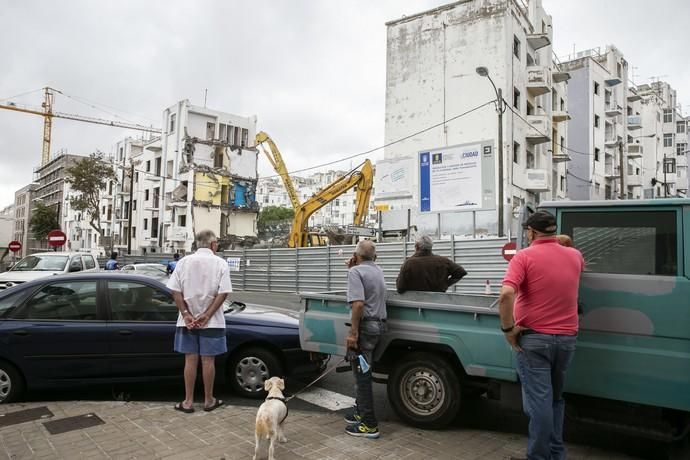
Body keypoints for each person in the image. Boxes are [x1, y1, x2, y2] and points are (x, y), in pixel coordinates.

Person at [498, 211, 585, 460]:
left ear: (531, 232)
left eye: (528, 231)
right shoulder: (575, 256)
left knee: (539, 405)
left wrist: (508, 330)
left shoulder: (523, 257)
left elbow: (505, 295)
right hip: (567, 339)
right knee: (555, 400)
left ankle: (538, 456)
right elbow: (566, 242)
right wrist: (554, 238)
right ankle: (556, 453)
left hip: (535, 339)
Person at [167, 230, 232, 413]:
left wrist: (186, 314)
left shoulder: (183, 262)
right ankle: (208, 400)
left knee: (190, 359)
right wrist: (208, 315)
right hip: (212, 322)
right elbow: (223, 292)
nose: (217, 246)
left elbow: (175, 291)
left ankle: (188, 401)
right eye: (216, 243)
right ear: (212, 244)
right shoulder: (220, 263)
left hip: (186, 322)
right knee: (208, 361)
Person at [343, 240, 387, 439]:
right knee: (363, 370)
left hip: (366, 327)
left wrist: (353, 333)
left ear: (356, 255)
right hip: (378, 325)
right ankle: (360, 411)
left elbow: (358, 304)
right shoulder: (377, 270)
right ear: (374, 257)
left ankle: (369, 425)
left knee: (362, 375)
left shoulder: (355, 273)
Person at [396, 235, 467, 293]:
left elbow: (400, 288)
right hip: (439, 302)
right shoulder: (443, 261)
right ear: (431, 247)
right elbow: (461, 272)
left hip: (416, 303)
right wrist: (446, 284)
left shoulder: (409, 263)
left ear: (417, 246)